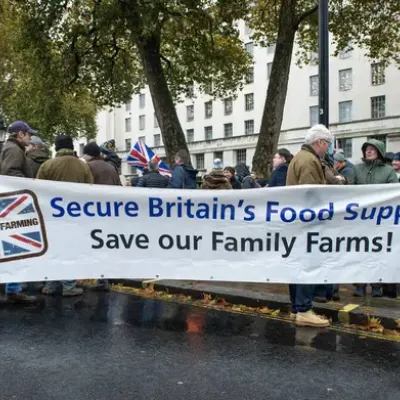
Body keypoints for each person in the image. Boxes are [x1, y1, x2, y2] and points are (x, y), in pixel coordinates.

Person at [286, 124, 332, 328]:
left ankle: (297, 308)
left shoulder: (300, 157)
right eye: (328, 144)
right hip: (307, 223)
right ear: (320, 142)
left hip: (297, 222)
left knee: (297, 265)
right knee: (307, 264)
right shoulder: (310, 161)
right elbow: (310, 194)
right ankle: (304, 309)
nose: (328, 148)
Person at [37, 134, 94, 297]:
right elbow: (90, 190)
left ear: (56, 147)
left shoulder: (47, 165)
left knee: (53, 250)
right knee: (70, 250)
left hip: (52, 215)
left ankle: (50, 285)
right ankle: (69, 286)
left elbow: (38, 189)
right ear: (72, 147)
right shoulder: (83, 167)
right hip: (75, 216)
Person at [353, 139, 398, 298]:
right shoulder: (357, 169)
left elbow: (395, 191)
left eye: (372, 149)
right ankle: (359, 285)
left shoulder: (388, 171)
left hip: (380, 220)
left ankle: (377, 285)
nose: (369, 151)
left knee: (377, 253)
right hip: (360, 220)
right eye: (367, 149)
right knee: (360, 252)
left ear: (379, 151)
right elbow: (349, 190)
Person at [0, 121, 38, 304]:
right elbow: (10, 172)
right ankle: (13, 290)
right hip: (14, 205)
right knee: (14, 247)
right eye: (28, 134)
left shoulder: (12, 148)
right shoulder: (14, 150)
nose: (30, 137)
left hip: (11, 204)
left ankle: (12, 288)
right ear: (20, 134)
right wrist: (30, 186)